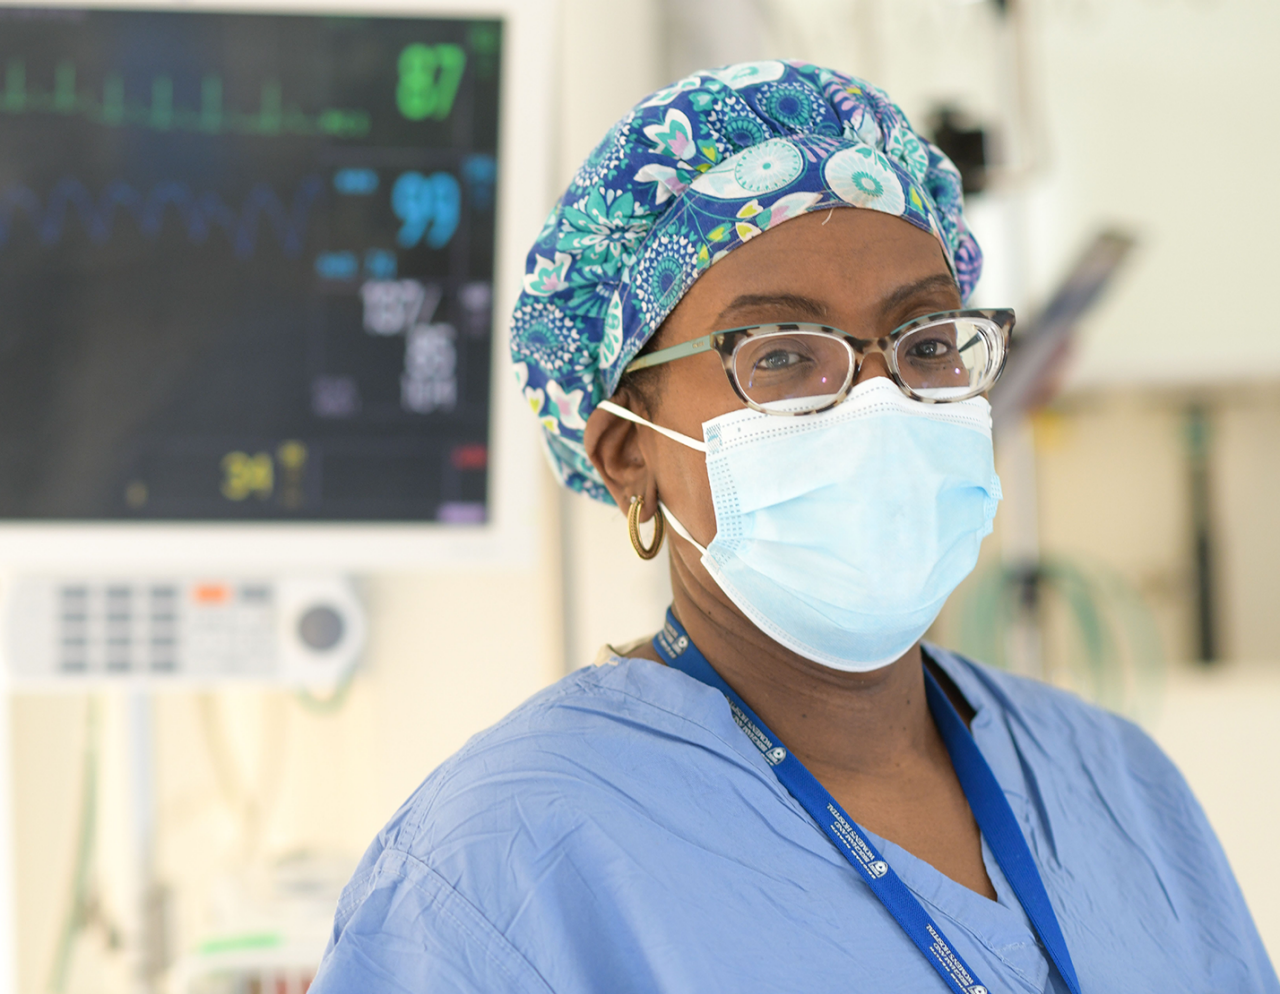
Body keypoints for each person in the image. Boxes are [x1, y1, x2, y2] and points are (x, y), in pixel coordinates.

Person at [311, 62, 1277, 993]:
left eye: (929, 341)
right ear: (626, 455)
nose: (879, 400)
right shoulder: (498, 870)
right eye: (781, 356)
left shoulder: (1116, 786)